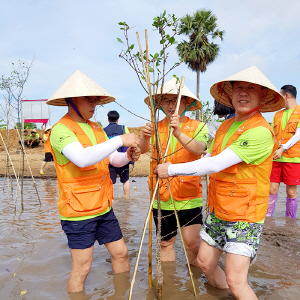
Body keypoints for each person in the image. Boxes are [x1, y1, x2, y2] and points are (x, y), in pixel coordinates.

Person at [155, 66, 285, 300]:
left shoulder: (260, 131)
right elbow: (208, 157)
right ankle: (223, 295)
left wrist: (171, 170)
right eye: (239, 88)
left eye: (251, 89)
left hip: (244, 215)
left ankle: (237, 291)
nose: (243, 93)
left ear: (263, 96)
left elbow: (216, 165)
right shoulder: (225, 126)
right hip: (218, 210)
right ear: (231, 94)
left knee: (237, 279)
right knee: (204, 262)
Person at [46, 70, 141, 293]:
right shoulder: (61, 129)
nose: (94, 103)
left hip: (103, 206)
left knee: (121, 252)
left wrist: (126, 156)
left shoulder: (96, 128)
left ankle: (121, 294)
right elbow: (82, 158)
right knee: (82, 267)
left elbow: (111, 160)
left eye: (95, 99)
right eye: (88, 98)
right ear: (71, 100)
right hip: (78, 211)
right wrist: (120, 139)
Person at [140, 78, 208, 266]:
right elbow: (144, 149)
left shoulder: (198, 126)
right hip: (161, 195)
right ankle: (169, 285)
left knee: (192, 243)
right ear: (159, 104)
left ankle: (197, 278)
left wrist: (178, 133)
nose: (171, 105)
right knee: (165, 242)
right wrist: (145, 138)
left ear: (187, 102)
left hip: (189, 195)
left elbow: (200, 148)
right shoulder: (155, 126)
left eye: (175, 100)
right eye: (166, 100)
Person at [267, 85, 299, 218]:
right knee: (271, 190)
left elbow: (298, 135)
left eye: (280, 96)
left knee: (291, 192)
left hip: (293, 159)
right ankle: (267, 221)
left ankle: (290, 222)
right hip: (276, 158)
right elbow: (273, 136)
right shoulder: (277, 114)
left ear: (287, 96)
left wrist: (283, 148)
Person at [104, 110, 132, 199]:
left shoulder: (103, 131)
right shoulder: (123, 128)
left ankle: (110, 200)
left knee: (111, 181)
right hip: (122, 158)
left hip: (109, 160)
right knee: (125, 180)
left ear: (108, 119)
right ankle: (127, 199)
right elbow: (129, 141)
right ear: (117, 119)